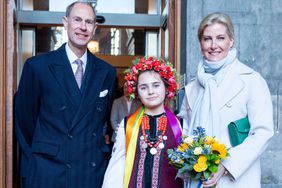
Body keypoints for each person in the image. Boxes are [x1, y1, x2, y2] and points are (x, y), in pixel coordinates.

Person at [14, 1, 116, 188]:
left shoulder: (107, 72)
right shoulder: (37, 67)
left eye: (89, 22)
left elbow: (101, 122)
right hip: (49, 170)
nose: (83, 27)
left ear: (95, 28)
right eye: (77, 20)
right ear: (65, 22)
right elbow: (24, 123)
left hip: (90, 172)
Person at [178, 12, 274, 188]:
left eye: (220, 38)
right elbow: (186, 134)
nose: (214, 45)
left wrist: (226, 165)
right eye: (207, 39)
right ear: (200, 43)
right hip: (197, 180)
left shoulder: (251, 80)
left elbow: (263, 132)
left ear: (231, 41)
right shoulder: (192, 88)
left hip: (236, 179)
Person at [102, 56, 183, 188]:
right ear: (137, 92)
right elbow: (117, 166)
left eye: (156, 85)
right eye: (144, 87)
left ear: (167, 87)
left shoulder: (180, 125)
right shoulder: (128, 124)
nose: (151, 92)